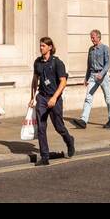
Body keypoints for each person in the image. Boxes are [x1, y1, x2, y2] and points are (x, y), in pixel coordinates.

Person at [29, 37, 75, 166]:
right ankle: (44, 156)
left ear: (50, 47)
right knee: (41, 128)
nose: (41, 48)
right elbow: (34, 80)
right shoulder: (37, 62)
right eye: (40, 45)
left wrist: (54, 98)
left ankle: (69, 141)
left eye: (43, 46)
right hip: (42, 98)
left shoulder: (57, 62)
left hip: (54, 97)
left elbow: (63, 82)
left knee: (59, 126)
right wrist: (32, 97)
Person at [74, 30, 110, 129]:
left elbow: (107, 64)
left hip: (103, 76)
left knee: (108, 98)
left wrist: (101, 74)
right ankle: (83, 120)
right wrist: (86, 78)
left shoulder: (105, 48)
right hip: (92, 76)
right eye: (91, 37)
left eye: (93, 37)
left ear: (98, 37)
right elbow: (89, 65)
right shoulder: (91, 50)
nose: (92, 39)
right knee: (88, 97)